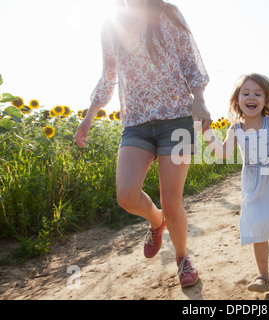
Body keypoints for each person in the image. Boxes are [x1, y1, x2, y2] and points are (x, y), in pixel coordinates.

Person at [74, 0, 211, 288]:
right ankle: (155, 221)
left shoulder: (168, 13)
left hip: (176, 119)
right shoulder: (110, 24)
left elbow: (190, 61)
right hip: (136, 122)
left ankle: (183, 258)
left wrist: (199, 101)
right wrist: (89, 117)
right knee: (125, 195)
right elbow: (108, 75)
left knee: (172, 203)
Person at [203, 73, 269, 293]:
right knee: (257, 227)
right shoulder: (235, 128)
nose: (251, 97)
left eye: (258, 93)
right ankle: (264, 276)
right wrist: (206, 134)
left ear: (266, 100)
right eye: (246, 93)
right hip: (254, 182)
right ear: (237, 100)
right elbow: (224, 152)